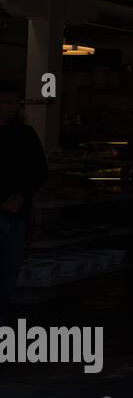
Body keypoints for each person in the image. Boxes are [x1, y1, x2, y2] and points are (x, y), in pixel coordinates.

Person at [0, 96, 48, 327]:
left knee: (10, 270)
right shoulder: (24, 134)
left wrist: (22, 195)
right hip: (13, 210)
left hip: (17, 212)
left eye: (13, 103)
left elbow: (38, 170)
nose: (11, 106)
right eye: (6, 102)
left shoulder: (25, 133)